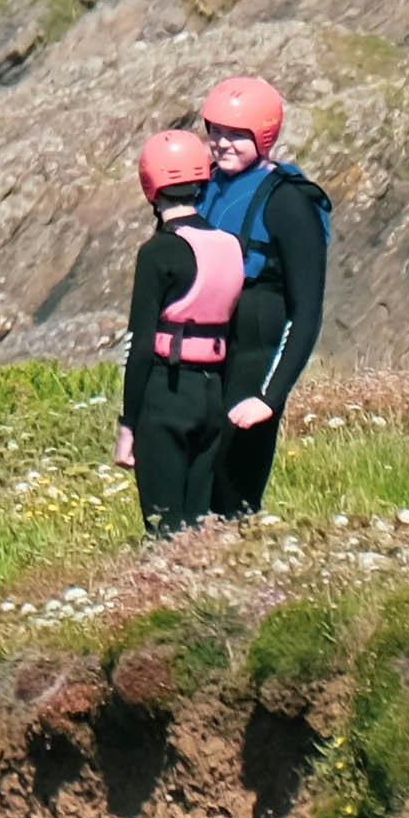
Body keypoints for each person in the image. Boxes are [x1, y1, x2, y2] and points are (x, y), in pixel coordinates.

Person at [191, 75, 335, 519]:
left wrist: (269, 398)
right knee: (192, 490)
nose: (221, 143)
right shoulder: (203, 186)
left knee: (233, 495)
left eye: (236, 134)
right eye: (215, 131)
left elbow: (306, 311)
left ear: (264, 135)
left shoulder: (289, 202)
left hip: (254, 365)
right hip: (206, 360)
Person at [117, 131, 247, 536]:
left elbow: (140, 346)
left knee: (163, 528)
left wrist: (129, 424)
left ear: (150, 185)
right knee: (200, 528)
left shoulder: (158, 252)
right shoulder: (230, 244)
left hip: (166, 392)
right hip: (213, 394)